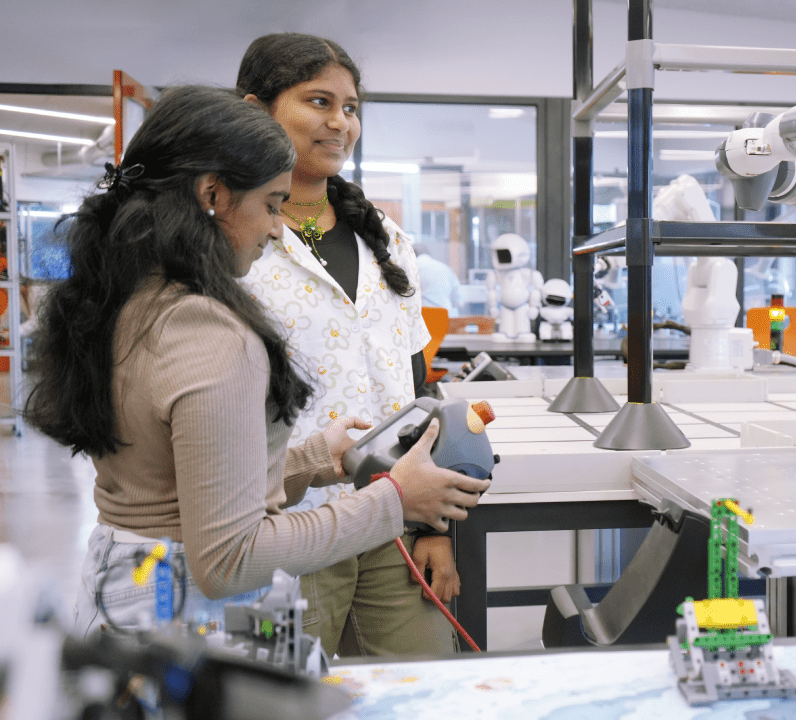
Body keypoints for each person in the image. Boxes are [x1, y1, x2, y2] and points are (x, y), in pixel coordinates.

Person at [21, 85, 488, 637]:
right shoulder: (214, 334)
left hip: (128, 585)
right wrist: (396, 498)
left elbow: (179, 486)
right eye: (270, 204)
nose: (274, 228)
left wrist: (315, 458)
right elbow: (228, 560)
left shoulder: (129, 300)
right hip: (192, 616)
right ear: (212, 194)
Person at [237, 33, 461, 657]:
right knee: (291, 695)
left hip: (395, 516)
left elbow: (416, 390)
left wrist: (433, 525)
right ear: (257, 110)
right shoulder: (229, 237)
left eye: (351, 107)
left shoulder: (386, 238)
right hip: (284, 527)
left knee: (421, 688)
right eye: (319, 102)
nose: (340, 123)